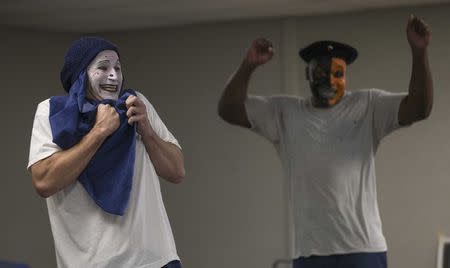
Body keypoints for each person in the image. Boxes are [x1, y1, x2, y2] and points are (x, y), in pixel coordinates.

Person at [218, 15, 433, 268]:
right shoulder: (284, 112)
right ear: (308, 74)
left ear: (345, 77)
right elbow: (229, 109)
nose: (330, 80)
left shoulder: (368, 105)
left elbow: (419, 108)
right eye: (321, 72)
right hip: (310, 252)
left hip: (362, 249)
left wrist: (419, 53)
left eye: (338, 73)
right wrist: (248, 65)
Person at [27, 37, 185, 268]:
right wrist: (99, 132)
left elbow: (177, 171)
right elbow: (44, 181)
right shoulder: (52, 113)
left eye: (117, 68)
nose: (114, 75)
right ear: (81, 74)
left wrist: (148, 131)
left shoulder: (136, 105)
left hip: (155, 260)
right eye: (103, 67)